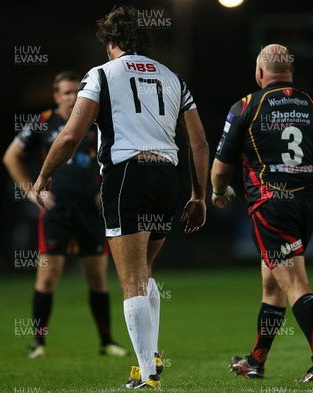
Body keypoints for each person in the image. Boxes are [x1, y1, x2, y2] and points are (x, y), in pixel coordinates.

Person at [31, 6, 209, 389]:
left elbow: (69, 136)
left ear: (111, 43)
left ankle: (147, 374)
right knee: (145, 273)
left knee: (130, 280)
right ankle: (153, 358)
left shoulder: (101, 74)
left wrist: (43, 177)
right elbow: (198, 142)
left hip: (128, 174)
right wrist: (199, 195)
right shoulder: (173, 77)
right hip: (168, 176)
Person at [211, 44, 313, 382]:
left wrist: (219, 192)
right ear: (290, 73)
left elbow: (221, 169)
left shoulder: (246, 106)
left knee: (291, 281)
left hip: (270, 206)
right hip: (306, 205)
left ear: (260, 74)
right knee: (273, 283)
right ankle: (256, 360)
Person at [2, 71, 128, 359]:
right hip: (56, 211)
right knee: (47, 279)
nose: (73, 97)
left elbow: (120, 156)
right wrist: (31, 192)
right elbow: (11, 156)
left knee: (97, 278)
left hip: (91, 210)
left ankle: (106, 341)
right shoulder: (44, 121)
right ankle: (38, 343)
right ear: (56, 95)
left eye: (77, 92)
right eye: (67, 92)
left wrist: (106, 190)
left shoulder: (96, 119)